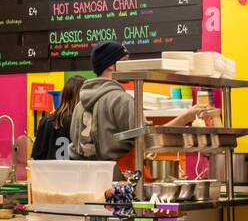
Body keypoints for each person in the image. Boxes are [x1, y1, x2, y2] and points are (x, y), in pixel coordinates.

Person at [69, 41, 204, 176]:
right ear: (111, 66)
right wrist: (187, 116)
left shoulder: (79, 106)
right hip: (117, 184)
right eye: (125, 61)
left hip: (84, 180)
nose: (130, 66)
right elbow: (149, 140)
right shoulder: (121, 100)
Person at [32, 76, 85, 161]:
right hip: (73, 172)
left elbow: (36, 156)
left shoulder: (45, 121)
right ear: (80, 97)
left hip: (48, 173)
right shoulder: (79, 122)